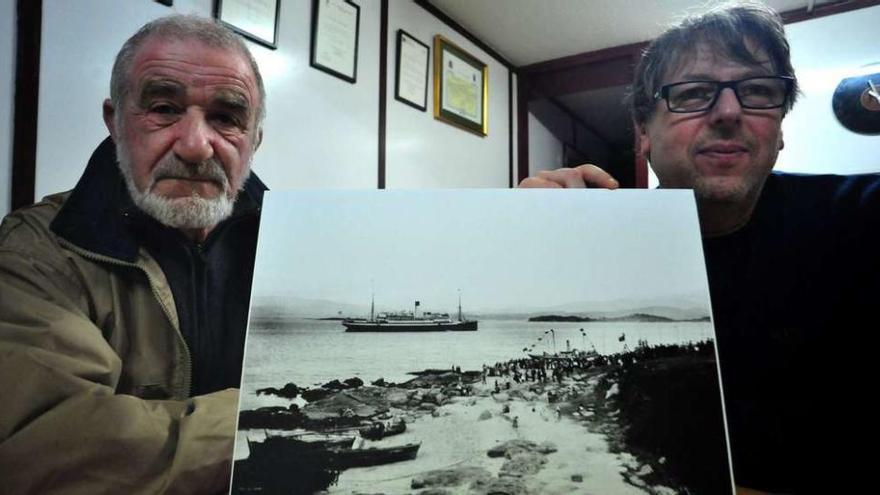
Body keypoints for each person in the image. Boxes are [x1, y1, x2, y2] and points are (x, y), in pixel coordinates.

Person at [521, 3, 878, 493]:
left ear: (779, 130)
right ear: (644, 132)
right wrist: (520, 232)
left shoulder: (862, 217)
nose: (729, 112)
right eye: (693, 94)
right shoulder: (593, 246)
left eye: (757, 92)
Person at [0, 15, 266, 493]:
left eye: (226, 118)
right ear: (114, 121)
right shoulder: (39, 249)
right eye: (164, 108)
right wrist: (268, 425)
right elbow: (44, 443)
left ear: (254, 141)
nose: (195, 145)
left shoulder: (284, 243)